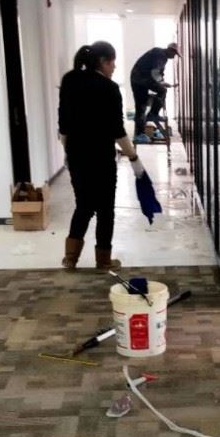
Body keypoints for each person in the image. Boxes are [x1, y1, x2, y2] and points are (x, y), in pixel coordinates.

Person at [58, 41, 144, 271]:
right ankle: (103, 261)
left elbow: (63, 126)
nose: (114, 67)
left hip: (76, 155)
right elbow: (117, 131)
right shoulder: (109, 88)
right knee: (105, 209)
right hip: (101, 157)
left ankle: (70, 259)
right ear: (103, 62)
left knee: (83, 205)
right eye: (112, 62)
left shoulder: (70, 80)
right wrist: (133, 157)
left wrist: (68, 152)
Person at [130, 42, 180, 137]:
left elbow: (158, 73)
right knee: (161, 91)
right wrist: (161, 83)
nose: (174, 57)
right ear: (170, 50)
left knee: (141, 106)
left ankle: (140, 133)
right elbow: (155, 72)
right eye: (174, 54)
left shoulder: (160, 54)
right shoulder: (160, 55)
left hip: (139, 79)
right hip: (140, 79)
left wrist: (162, 82)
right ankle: (153, 114)